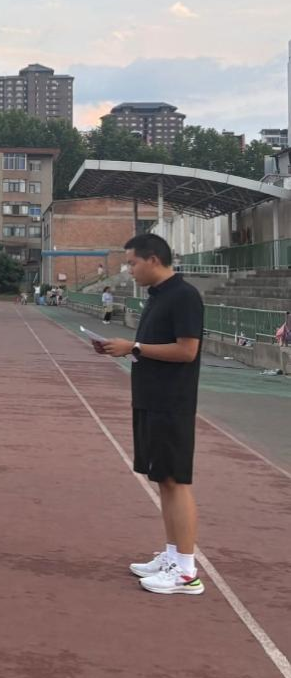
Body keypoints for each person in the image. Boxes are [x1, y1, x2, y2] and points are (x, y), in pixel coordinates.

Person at [91, 233, 205, 596]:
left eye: (132, 263)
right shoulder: (158, 297)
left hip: (172, 402)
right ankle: (173, 555)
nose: (130, 269)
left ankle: (185, 571)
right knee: (162, 479)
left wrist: (134, 346)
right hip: (151, 398)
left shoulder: (184, 296)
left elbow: (187, 351)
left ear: (153, 259)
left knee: (175, 480)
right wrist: (126, 349)